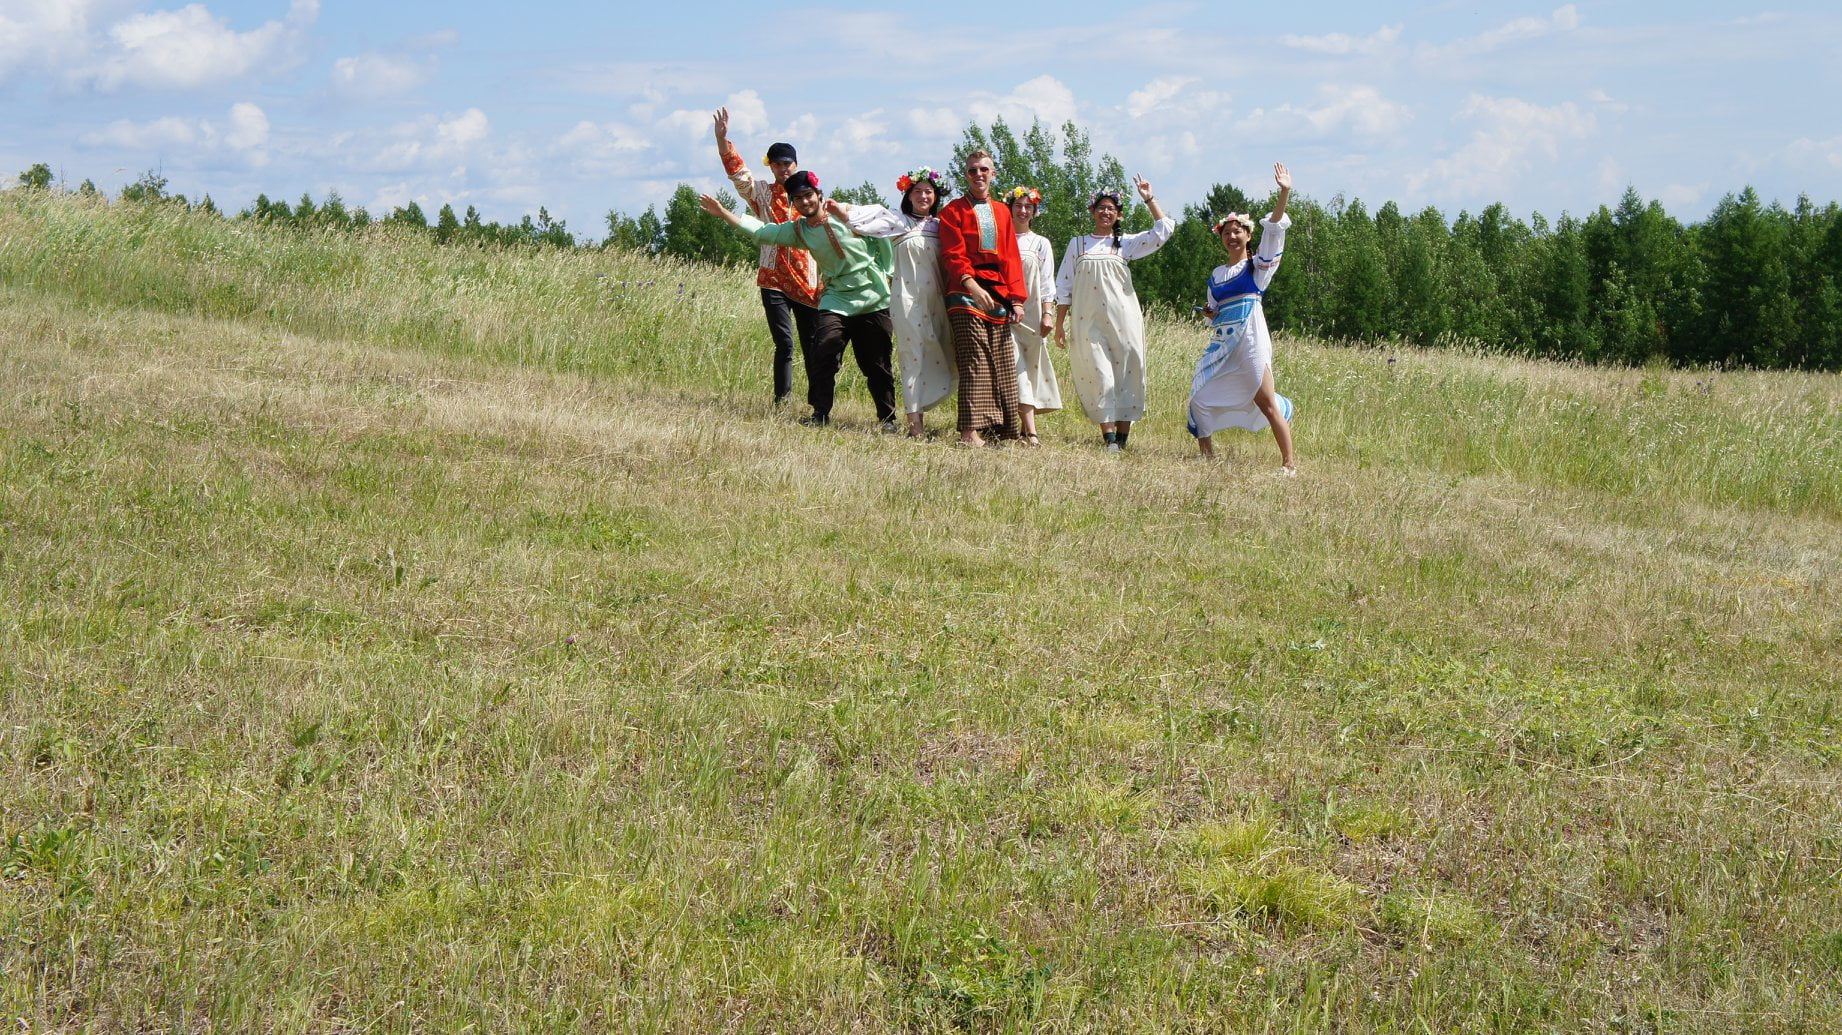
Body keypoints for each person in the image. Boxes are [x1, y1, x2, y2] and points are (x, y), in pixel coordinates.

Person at [699, 171, 899, 429]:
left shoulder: (846, 212)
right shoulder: (800, 231)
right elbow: (763, 232)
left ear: (818, 194)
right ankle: (820, 414)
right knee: (823, 350)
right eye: (798, 199)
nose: (805, 202)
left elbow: (880, 233)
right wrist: (725, 213)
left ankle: (887, 419)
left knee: (876, 362)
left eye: (808, 195)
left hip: (873, 296)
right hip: (836, 298)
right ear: (793, 204)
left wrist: (886, 272)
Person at [824, 167, 956, 438]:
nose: (923, 196)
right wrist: (843, 215)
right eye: (917, 191)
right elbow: (871, 218)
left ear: (935, 196)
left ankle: (933, 408)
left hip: (937, 301)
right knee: (912, 357)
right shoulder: (898, 221)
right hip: (907, 300)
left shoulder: (942, 226)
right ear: (908, 195)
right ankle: (914, 424)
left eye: (928, 191)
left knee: (940, 352)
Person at [1189, 163, 1297, 474]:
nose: (1232, 236)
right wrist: (1211, 314)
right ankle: (1207, 459)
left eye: (1238, 231)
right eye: (1226, 232)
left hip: (1250, 342)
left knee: (1265, 402)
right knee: (1200, 399)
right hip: (1223, 347)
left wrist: (1284, 192)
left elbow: (1275, 230)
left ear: (1248, 236)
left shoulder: (1257, 269)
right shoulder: (1217, 275)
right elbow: (1214, 312)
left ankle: (1289, 465)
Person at [1053, 177, 1174, 451]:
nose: (1105, 212)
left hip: (1125, 320)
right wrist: (1060, 324)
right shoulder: (1078, 244)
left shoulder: (1125, 244)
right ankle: (1108, 440)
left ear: (1118, 214)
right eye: (1101, 207)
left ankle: (1121, 440)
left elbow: (1164, 229)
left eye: (1111, 208)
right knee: (1099, 374)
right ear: (1092, 211)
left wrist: (1148, 198)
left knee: (1127, 373)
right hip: (1088, 322)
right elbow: (1064, 286)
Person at [712, 107, 821, 407]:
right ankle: (782, 401)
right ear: (771, 167)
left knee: (812, 344)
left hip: (807, 282)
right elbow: (738, 174)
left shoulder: (810, 197)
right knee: (784, 343)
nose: (783, 168)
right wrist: (723, 140)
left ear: (796, 164)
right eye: (777, 164)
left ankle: (818, 404)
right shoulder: (761, 192)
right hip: (772, 277)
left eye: (787, 163)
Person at [935, 150, 1028, 447]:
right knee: (974, 359)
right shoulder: (952, 211)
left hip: (998, 291)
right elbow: (952, 255)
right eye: (973, 170)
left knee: (1001, 360)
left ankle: (1003, 429)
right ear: (966, 175)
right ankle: (968, 432)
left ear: (993, 173)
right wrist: (972, 286)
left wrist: (1017, 298)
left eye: (984, 169)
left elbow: (1011, 256)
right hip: (965, 291)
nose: (978, 175)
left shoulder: (1002, 211)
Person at [1005, 186, 1060, 446]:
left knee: (1030, 367)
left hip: (1033, 314)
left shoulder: (1041, 243)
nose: (1023, 211)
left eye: (1028, 207)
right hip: (1005, 313)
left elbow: (1048, 282)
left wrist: (1048, 314)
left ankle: (1018, 427)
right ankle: (1030, 431)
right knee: (1016, 367)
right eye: (1018, 206)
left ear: (1035, 211)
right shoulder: (1000, 240)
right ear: (1010, 208)